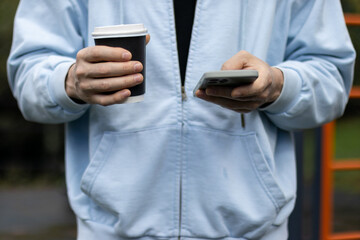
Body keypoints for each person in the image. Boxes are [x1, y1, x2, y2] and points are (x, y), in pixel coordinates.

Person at [7, 0, 355, 239]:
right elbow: (27, 73)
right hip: (110, 230)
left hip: (252, 230)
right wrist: (69, 81)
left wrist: (278, 85)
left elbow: (332, 77)